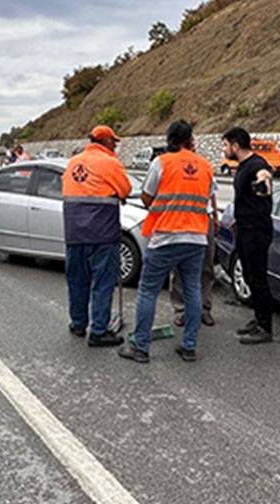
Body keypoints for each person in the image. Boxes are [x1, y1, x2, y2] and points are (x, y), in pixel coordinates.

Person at [119, 120, 214, 364]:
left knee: (148, 291)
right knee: (192, 289)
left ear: (170, 139)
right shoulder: (205, 166)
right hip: (196, 238)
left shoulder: (161, 163)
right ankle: (189, 346)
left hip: (166, 237)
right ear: (190, 139)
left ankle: (140, 347)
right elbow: (208, 197)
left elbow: (147, 197)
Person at [62, 125, 132, 347]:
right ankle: (99, 331)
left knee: (77, 280)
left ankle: (78, 323)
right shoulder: (109, 163)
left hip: (74, 233)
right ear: (105, 142)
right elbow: (125, 190)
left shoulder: (73, 162)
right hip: (102, 234)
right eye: (114, 142)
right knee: (102, 282)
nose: (116, 146)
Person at [222, 126, 275, 344]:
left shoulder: (256, 164)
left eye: (225, 145)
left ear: (235, 145)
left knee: (258, 277)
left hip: (257, 231)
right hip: (244, 228)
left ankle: (265, 327)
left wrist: (265, 183)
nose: (223, 150)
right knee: (249, 276)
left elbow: (264, 177)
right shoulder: (243, 166)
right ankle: (258, 318)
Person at [171, 186, 218, 327]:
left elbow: (212, 193)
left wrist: (215, 216)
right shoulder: (174, 166)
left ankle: (204, 308)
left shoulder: (205, 167)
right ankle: (180, 309)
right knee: (179, 267)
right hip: (181, 218)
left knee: (207, 266)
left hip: (204, 219)